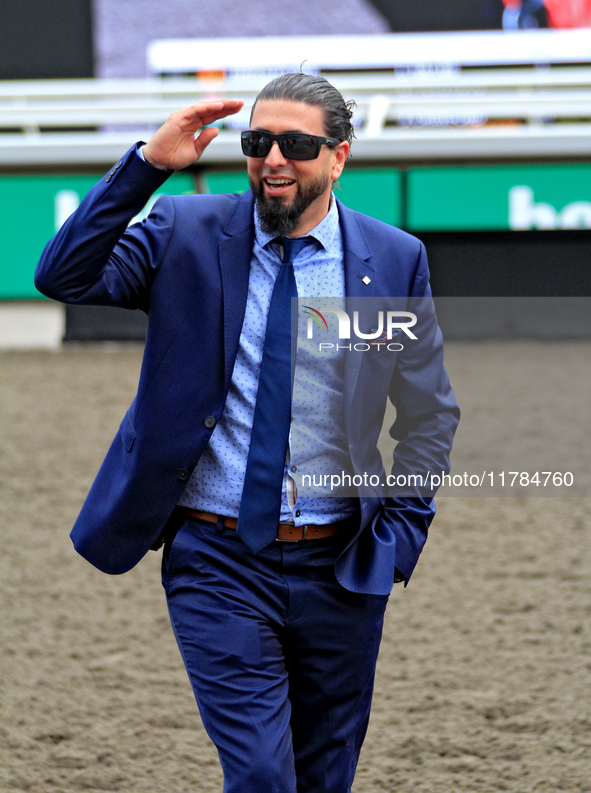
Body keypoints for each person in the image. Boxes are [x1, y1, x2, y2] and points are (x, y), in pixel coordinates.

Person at [35, 73, 459, 793]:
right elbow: (63, 275)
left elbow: (428, 413)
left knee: (324, 775)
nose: (273, 159)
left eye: (296, 144)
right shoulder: (185, 231)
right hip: (217, 559)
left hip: (343, 565)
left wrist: (400, 534)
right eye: (258, 142)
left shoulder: (391, 259)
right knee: (263, 775)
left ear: (339, 155)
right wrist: (147, 167)